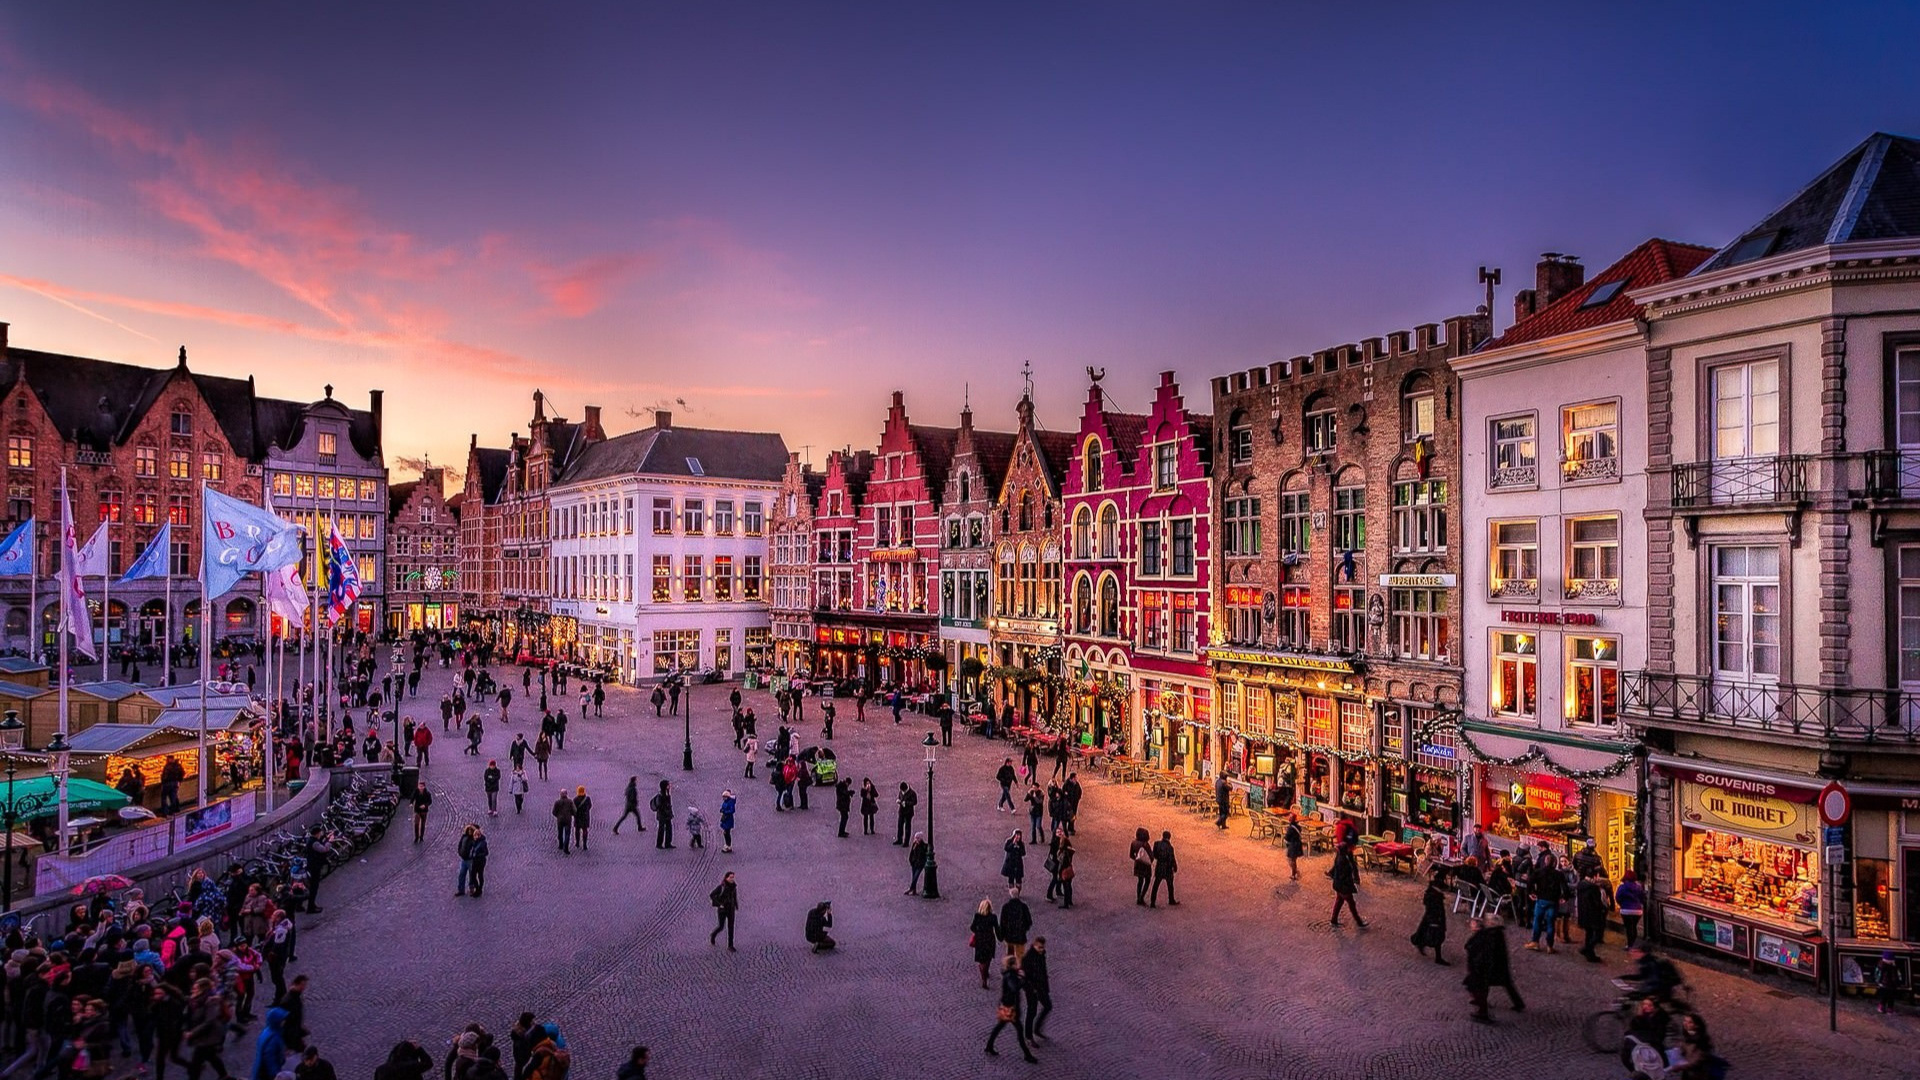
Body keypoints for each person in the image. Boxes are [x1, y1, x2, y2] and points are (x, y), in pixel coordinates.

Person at [1462, 917, 1525, 1023]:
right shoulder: (1496, 934)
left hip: (1490, 967)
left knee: (1477, 985)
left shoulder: (1490, 935)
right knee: (1505, 984)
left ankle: (1482, 1009)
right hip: (1497, 966)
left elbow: (1477, 949)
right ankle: (1517, 1003)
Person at [984, 954, 1036, 1063]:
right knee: (1019, 1031)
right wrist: (1023, 979)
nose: (1018, 965)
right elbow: (1014, 988)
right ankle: (1027, 1054)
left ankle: (989, 1046)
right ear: (1012, 965)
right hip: (1010, 1007)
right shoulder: (1010, 976)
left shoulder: (1010, 974)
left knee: (1000, 1027)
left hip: (1006, 1005)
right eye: (1016, 964)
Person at [1527, 853, 1564, 953]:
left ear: (1545, 862)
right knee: (1550, 923)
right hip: (1553, 901)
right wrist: (1564, 897)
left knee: (1537, 920)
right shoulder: (1559, 874)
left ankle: (1535, 942)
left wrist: (1531, 892)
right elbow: (1564, 887)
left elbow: (1530, 882)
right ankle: (1549, 946)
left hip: (1541, 899)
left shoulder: (1538, 872)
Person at [1412, 868, 1451, 964]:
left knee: (1432, 934)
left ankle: (1422, 944)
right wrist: (1437, 919)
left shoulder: (1432, 892)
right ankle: (1437, 957)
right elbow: (1433, 907)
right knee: (1436, 936)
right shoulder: (1433, 895)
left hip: (1433, 917)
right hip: (1435, 918)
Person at [1576, 867, 1611, 962]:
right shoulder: (1593, 888)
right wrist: (1603, 909)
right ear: (1595, 875)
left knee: (1589, 933)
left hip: (1583, 913)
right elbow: (1597, 903)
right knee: (1597, 934)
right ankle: (1588, 950)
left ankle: (1588, 951)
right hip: (1593, 914)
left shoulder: (1581, 884)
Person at [1021, 937, 1052, 1043]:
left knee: (1048, 1006)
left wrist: (1046, 987)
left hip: (1041, 987)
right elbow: (1025, 978)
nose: (1041, 950)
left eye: (1042, 948)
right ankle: (1029, 1035)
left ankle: (1037, 1028)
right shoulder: (1027, 959)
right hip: (1032, 989)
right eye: (1039, 947)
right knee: (1032, 1011)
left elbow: (1043, 972)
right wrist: (1031, 988)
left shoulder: (1041, 955)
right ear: (1034, 945)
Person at [1328, 839, 1365, 927]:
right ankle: (1359, 921)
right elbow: (1345, 875)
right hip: (1344, 887)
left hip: (1339, 885)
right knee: (1352, 904)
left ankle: (1334, 919)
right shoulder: (1343, 861)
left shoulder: (1339, 857)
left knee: (1339, 901)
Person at [969, 899, 1000, 987]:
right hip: (990, 940)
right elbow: (997, 929)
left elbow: (972, 927)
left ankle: (983, 977)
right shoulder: (993, 917)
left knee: (981, 960)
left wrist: (978, 932)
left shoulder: (977, 916)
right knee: (988, 957)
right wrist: (1000, 937)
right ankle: (986, 971)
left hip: (980, 940)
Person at [1615, 870, 1646, 951]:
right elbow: (1642, 898)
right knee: (1634, 926)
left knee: (1628, 927)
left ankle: (1630, 945)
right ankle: (1634, 943)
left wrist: (1621, 904)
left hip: (1625, 910)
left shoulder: (1622, 887)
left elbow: (1617, 897)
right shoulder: (1638, 887)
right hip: (1637, 910)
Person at [999, 886, 1032, 961]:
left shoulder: (1006, 907)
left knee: (1009, 954)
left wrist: (1002, 934)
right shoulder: (1023, 906)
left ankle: (1009, 967)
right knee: (1020, 955)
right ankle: (1019, 968)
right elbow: (1029, 921)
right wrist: (1024, 929)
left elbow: (1002, 922)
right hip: (1020, 936)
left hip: (1009, 935)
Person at [708, 872, 738, 951]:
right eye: (730, 877)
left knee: (731, 927)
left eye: (733, 877)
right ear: (726, 878)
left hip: (731, 909)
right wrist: (719, 904)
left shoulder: (734, 886)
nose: (732, 879)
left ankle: (730, 945)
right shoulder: (721, 887)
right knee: (721, 926)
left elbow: (734, 896)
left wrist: (736, 905)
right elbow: (712, 895)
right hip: (722, 909)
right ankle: (713, 935)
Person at [1150, 830, 1179, 907]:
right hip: (1168, 868)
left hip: (1159, 866)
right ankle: (1171, 899)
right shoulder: (1170, 848)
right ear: (1169, 837)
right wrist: (1175, 866)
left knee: (1156, 884)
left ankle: (1152, 902)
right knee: (1170, 885)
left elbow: (1154, 855)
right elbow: (1172, 858)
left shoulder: (1157, 844)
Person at [1130, 827, 1154, 905]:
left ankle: (1138, 897)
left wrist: (1137, 859)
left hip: (1138, 864)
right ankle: (1141, 897)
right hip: (1146, 866)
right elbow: (1151, 856)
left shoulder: (1134, 843)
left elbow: (1131, 855)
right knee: (1147, 880)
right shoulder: (1145, 845)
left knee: (1140, 881)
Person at [1872, 949, 1901, 1014]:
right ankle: (1889, 1008)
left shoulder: (1881, 965)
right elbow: (1896, 976)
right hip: (1890, 985)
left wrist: (1878, 981)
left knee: (1884, 997)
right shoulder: (1893, 967)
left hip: (1884, 984)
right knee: (1890, 997)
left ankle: (1883, 1007)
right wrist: (1897, 982)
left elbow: (1878, 974)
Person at [650, 781, 675, 848]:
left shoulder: (667, 793)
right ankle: (659, 844)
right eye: (668, 785)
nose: (669, 786)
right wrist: (666, 810)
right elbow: (660, 805)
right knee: (661, 829)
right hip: (662, 815)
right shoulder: (660, 795)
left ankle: (668, 843)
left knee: (669, 828)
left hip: (667, 815)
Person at [456, 824, 478, 897]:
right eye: (469, 830)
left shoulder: (474, 839)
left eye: (471, 830)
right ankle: (461, 889)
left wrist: (472, 855)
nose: (470, 831)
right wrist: (460, 852)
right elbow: (460, 845)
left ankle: (472, 889)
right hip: (464, 859)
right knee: (461, 874)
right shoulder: (464, 837)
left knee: (471, 875)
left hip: (470, 860)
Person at [467, 827, 489, 897]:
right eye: (474, 836)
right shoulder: (474, 842)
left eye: (476, 835)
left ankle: (479, 889)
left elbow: (486, 853)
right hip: (474, 861)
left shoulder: (483, 843)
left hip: (481, 861)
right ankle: (477, 888)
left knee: (480, 875)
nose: (475, 837)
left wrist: (477, 855)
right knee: (473, 876)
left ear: (479, 835)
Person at [571, 786, 593, 852]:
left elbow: (573, 808)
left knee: (577, 830)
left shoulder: (575, 799)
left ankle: (577, 843)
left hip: (578, 817)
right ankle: (585, 845)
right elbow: (590, 806)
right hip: (585, 817)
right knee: (585, 830)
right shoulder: (587, 799)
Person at [1283, 817, 1304, 882]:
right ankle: (1295, 872)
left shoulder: (1290, 828)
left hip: (1292, 845)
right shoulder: (1298, 827)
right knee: (1294, 860)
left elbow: (1287, 838)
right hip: (1298, 844)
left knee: (1291, 860)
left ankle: (1294, 873)